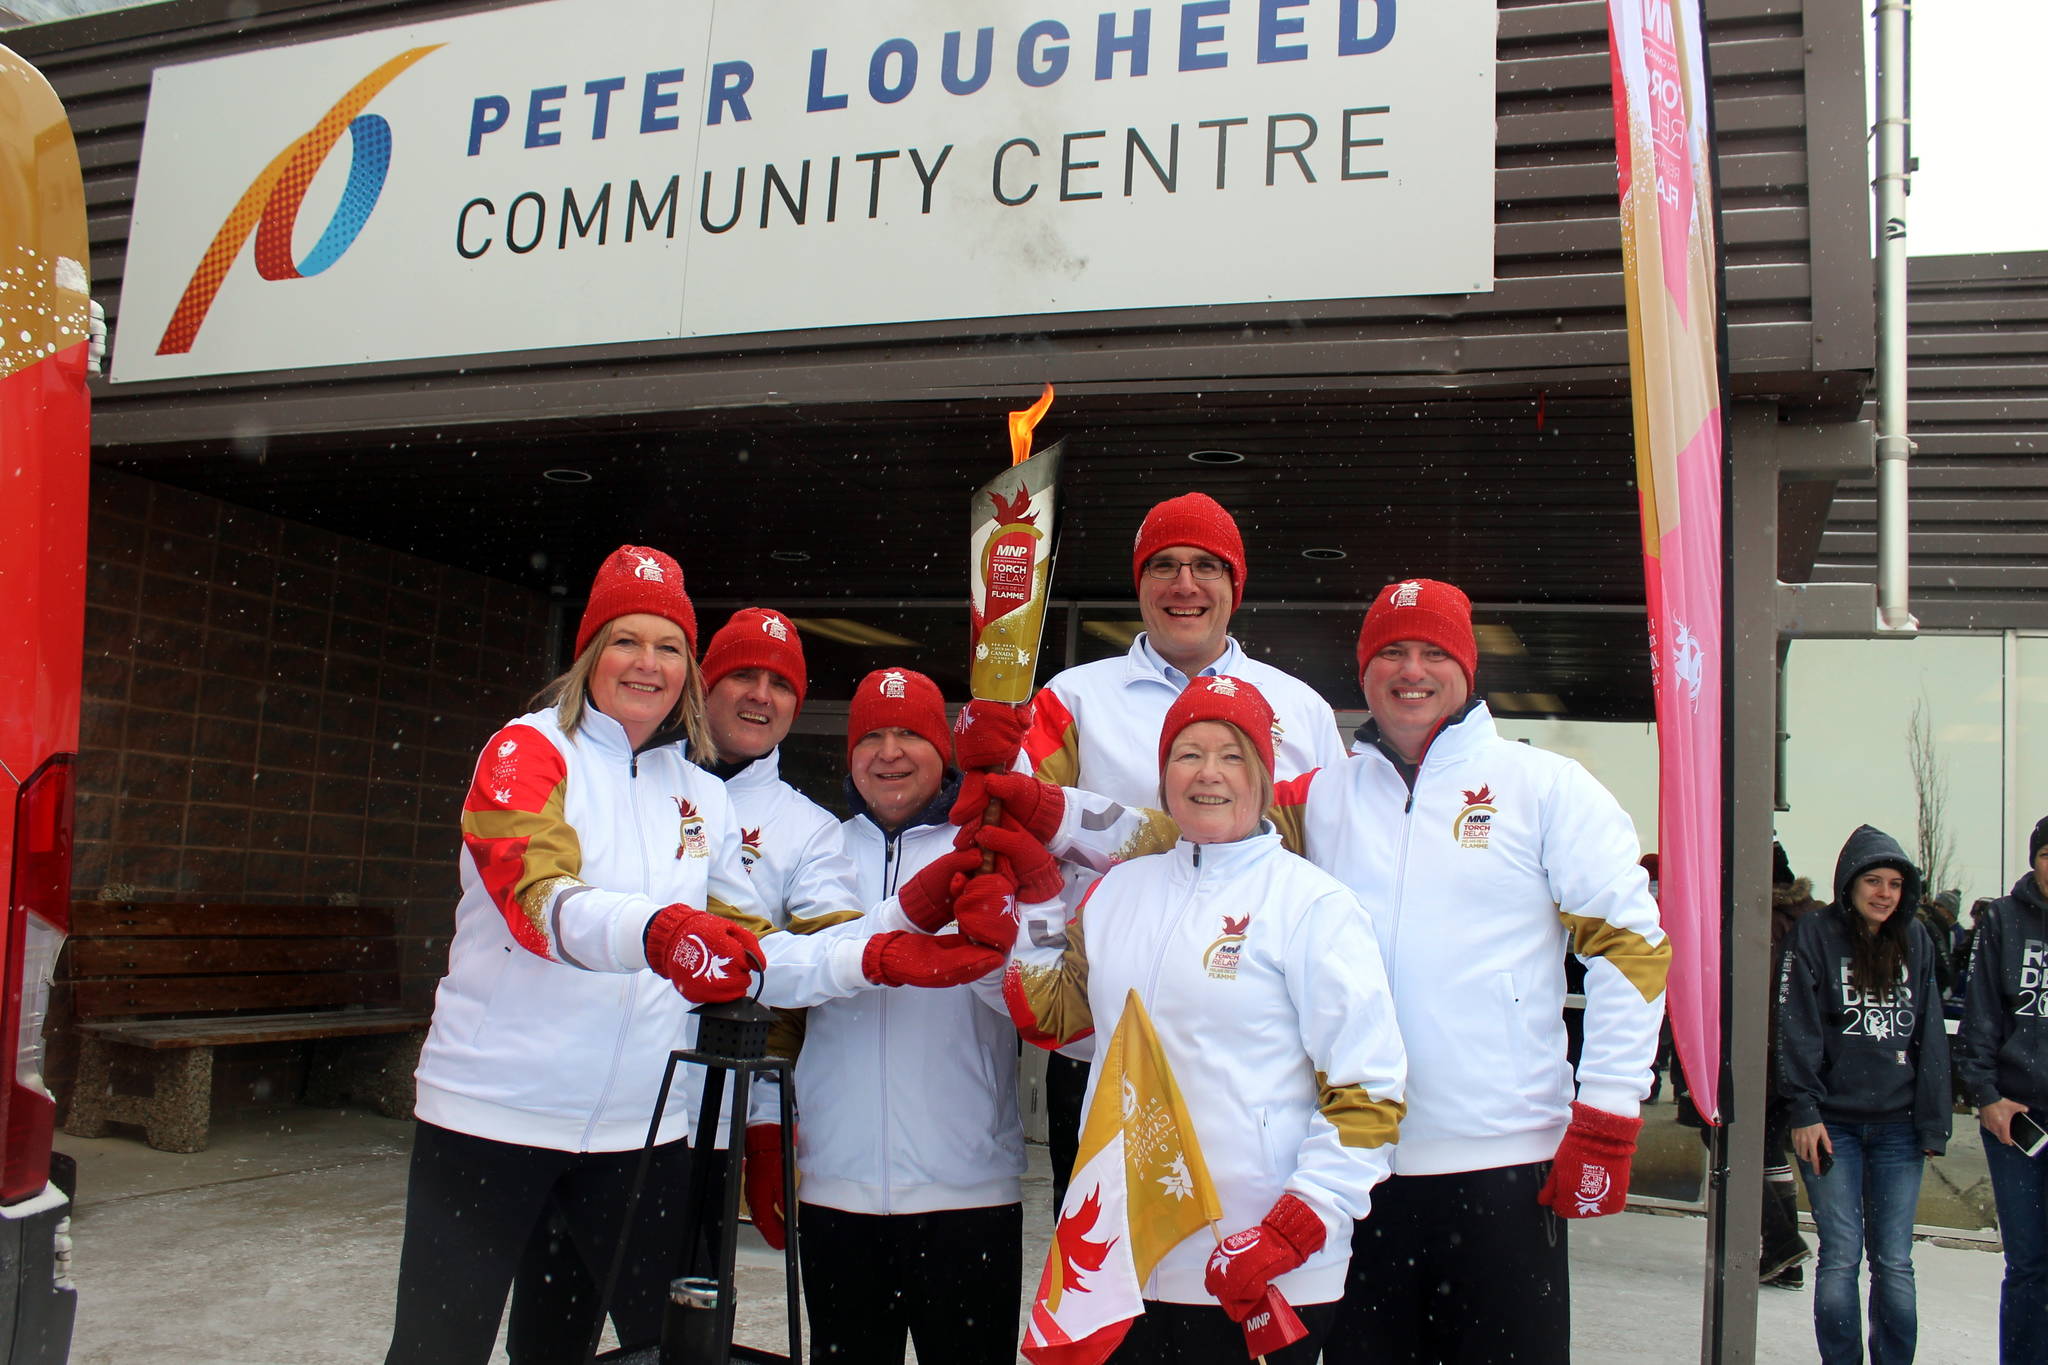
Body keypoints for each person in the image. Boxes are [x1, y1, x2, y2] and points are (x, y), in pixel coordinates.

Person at [962, 577, 1669, 1364]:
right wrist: (1036, 807)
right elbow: (1196, 828)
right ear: (1364, 669)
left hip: (1499, 1162)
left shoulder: (1545, 788)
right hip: (1359, 1183)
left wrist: (1607, 1111)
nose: (1411, 670)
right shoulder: (1324, 796)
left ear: (1469, 667)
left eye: (1433, 652)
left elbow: (1630, 946)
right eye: (1390, 652)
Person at [385, 552, 996, 1365]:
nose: (648, 663)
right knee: (438, 1350)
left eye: (669, 645)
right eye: (626, 639)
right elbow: (539, 901)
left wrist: (883, 942)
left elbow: (752, 954)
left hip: (640, 1132)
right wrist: (659, 933)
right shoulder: (526, 753)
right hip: (493, 1114)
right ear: (588, 650)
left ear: (685, 670)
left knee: (640, 1349)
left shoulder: (696, 796)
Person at [1002, 675, 1407, 1363]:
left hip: (1257, 1269)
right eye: (1188, 753)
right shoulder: (1117, 891)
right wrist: (1037, 903)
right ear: (1163, 777)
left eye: (1232, 754)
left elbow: (1368, 1091)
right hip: (1125, 1259)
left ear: (1263, 774)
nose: (1208, 773)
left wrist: (1293, 1227)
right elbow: (1053, 1013)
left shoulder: (1311, 904)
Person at [967, 491, 1348, 1215]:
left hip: (1252, 1046)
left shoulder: (1298, 709)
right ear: (1139, 582)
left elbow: (1309, 858)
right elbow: (1009, 844)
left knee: (1244, 1263)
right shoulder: (1073, 699)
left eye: (1206, 566)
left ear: (1235, 586)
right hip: (1100, 1040)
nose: (1185, 585)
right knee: (1107, 1282)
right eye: (1164, 565)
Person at [774, 667, 1025, 1365]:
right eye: (872, 736)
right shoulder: (815, 847)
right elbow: (774, 973)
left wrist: (987, 946)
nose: (889, 751)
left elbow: (1035, 995)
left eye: (910, 733)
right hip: (837, 1189)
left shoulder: (981, 843)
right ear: (849, 753)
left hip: (968, 1190)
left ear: (943, 750)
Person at [1777, 825, 1952, 1365]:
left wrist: (1932, 1122)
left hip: (1899, 1126)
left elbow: (1929, 1033)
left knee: (1895, 1260)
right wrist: (1804, 1110)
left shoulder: (1915, 940)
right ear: (1850, 883)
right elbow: (1796, 1027)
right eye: (1873, 880)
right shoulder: (1815, 935)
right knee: (1841, 1256)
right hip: (1832, 1126)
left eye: (1895, 884)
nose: (1884, 893)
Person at [1954, 814, 2048, 1364]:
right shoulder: (2004, 921)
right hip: (2018, 1116)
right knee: (2029, 1262)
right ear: (2034, 861)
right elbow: (1981, 1015)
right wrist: (1986, 1095)